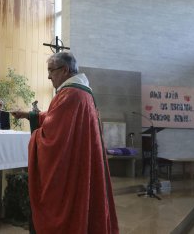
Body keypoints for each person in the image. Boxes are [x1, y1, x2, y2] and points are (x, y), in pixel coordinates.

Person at [12, 52, 119, 234]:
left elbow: (54, 136)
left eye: (51, 70)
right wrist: (29, 115)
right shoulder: (82, 92)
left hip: (72, 166)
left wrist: (36, 137)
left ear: (65, 70)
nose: (48, 76)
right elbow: (57, 118)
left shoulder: (69, 94)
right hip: (82, 160)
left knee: (68, 206)